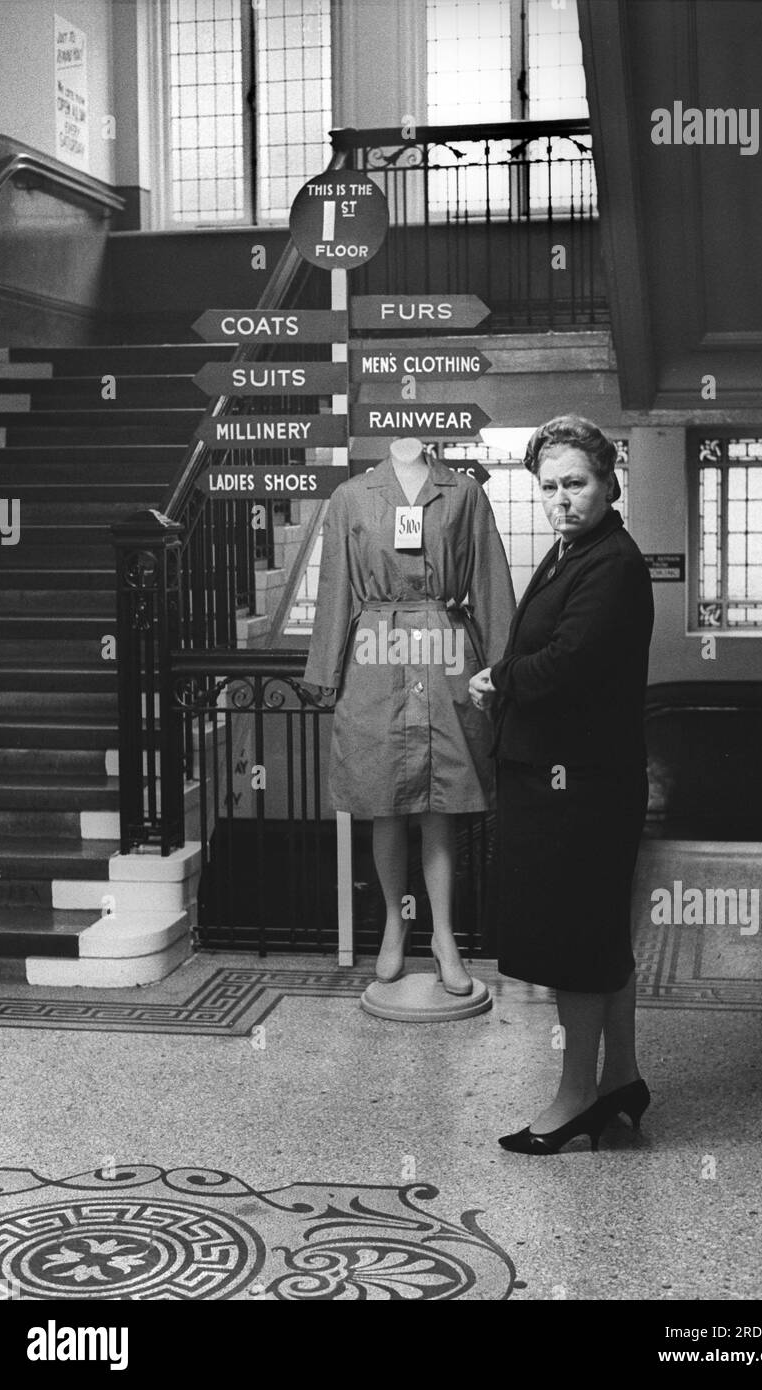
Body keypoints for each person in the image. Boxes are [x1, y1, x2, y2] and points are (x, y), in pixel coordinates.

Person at [469, 415, 654, 1152]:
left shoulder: (609, 561)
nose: (561, 499)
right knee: (600, 936)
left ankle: (577, 1096)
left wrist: (499, 677)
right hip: (571, 776)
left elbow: (569, 663)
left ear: (609, 483)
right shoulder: (577, 549)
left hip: (577, 785)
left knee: (577, 942)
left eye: (575, 484)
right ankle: (622, 1080)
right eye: (548, 487)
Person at [305, 438, 515, 994]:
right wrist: (324, 674)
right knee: (385, 805)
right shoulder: (350, 497)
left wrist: (505, 668)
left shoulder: (465, 493)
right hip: (376, 655)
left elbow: (490, 580)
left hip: (447, 653)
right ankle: (394, 925)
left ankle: (444, 936)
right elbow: (333, 588)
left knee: (440, 803)